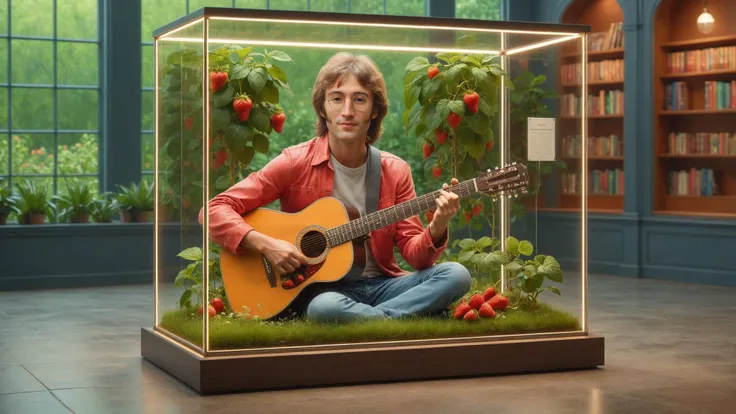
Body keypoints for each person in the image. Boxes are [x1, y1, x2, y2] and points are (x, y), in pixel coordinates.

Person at [203, 52, 472, 323]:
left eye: (359, 99)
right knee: (325, 308)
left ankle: (376, 320)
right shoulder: (294, 162)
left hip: (384, 287)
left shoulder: (395, 170)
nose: (347, 111)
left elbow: (416, 258)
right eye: (336, 98)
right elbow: (214, 209)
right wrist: (266, 244)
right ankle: (399, 318)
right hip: (324, 292)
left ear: (374, 109)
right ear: (323, 107)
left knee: (456, 274)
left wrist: (437, 226)